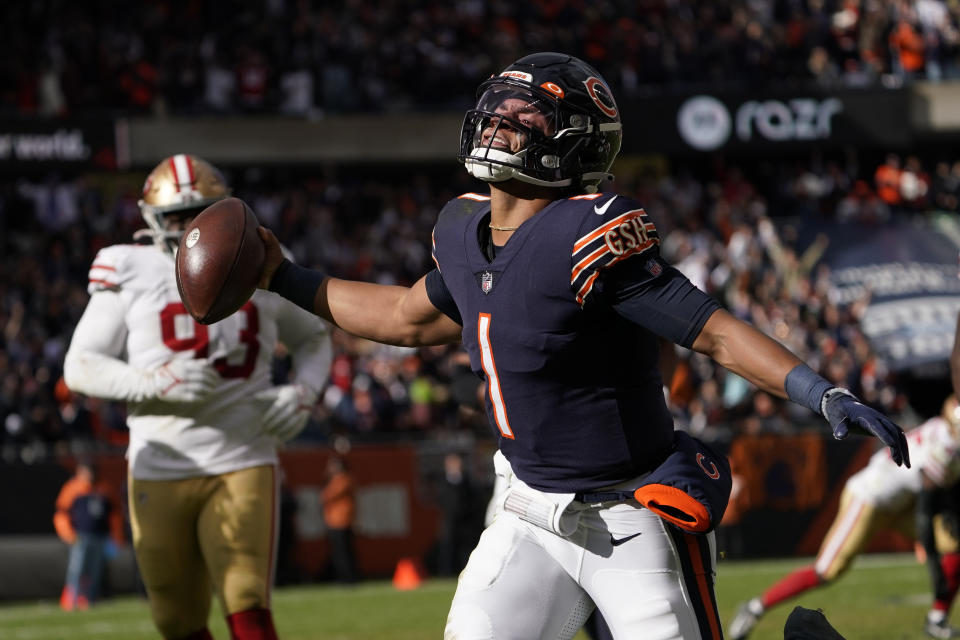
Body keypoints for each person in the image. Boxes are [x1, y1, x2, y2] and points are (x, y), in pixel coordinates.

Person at [256, 52, 909, 639]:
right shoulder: (462, 230)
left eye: (524, 120)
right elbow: (401, 317)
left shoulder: (585, 236)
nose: (499, 126)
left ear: (568, 147)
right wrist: (283, 277)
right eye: (497, 112)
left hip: (631, 515)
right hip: (526, 509)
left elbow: (710, 330)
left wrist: (818, 390)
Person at [63, 154, 333, 640]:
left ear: (225, 210)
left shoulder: (256, 257)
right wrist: (151, 383)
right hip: (159, 461)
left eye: (201, 212)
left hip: (243, 450)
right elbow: (80, 365)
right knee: (174, 618)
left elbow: (314, 337)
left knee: (247, 602)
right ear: (152, 220)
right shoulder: (129, 266)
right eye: (176, 217)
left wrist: (305, 391)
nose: (189, 227)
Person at [729, 394, 960, 639]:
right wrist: (934, 565)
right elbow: (926, 510)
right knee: (827, 570)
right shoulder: (947, 447)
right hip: (869, 497)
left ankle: (937, 618)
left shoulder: (941, 428)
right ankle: (755, 607)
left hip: (898, 503)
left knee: (954, 545)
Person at [53, 458, 123, 610]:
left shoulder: (104, 488)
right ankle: (71, 600)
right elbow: (61, 514)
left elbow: (114, 515)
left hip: (100, 537)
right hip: (80, 537)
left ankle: (88, 600)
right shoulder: (72, 489)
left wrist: (116, 537)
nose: (89, 475)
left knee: (95, 571)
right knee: (76, 570)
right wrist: (68, 534)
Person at [321, 455, 358, 583]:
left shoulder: (342, 479)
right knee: (339, 552)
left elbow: (327, 496)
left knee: (344, 552)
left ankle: (348, 578)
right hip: (334, 521)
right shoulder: (337, 480)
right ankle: (343, 576)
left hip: (341, 521)